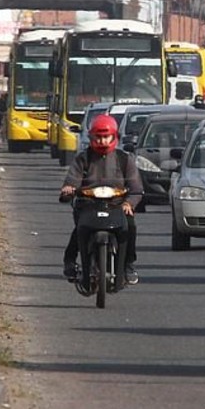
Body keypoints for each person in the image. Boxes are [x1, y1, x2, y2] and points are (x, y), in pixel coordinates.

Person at [60, 114, 142, 284]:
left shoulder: (125, 159)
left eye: (106, 137)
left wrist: (129, 203)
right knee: (81, 228)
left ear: (114, 137)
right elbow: (72, 180)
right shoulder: (83, 158)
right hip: (88, 205)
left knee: (130, 227)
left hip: (117, 205)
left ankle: (128, 265)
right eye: (99, 137)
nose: (103, 141)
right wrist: (69, 189)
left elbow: (136, 188)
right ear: (92, 137)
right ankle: (70, 261)